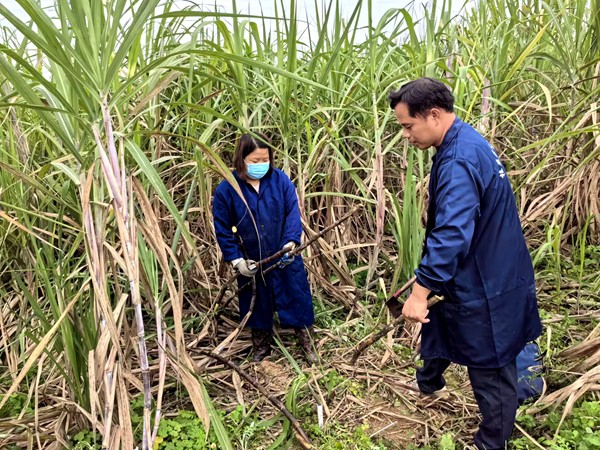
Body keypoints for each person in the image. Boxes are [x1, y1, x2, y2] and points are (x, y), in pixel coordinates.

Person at [388, 77, 542, 450]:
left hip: (487, 280)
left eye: (408, 126)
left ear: (435, 115)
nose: (406, 136)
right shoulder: (466, 140)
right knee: (441, 325)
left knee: (491, 368)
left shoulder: (458, 159)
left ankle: (491, 442)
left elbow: (453, 233)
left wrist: (420, 291)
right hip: (483, 268)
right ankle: (430, 384)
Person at [212, 132, 317, 364]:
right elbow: (222, 228)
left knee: (296, 297)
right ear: (241, 159)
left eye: (265, 160)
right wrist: (236, 260)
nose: (261, 165)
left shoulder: (280, 180)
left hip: (284, 255)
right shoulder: (227, 189)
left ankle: (307, 343)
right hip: (252, 259)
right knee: (256, 302)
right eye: (255, 161)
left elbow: (293, 213)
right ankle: (261, 347)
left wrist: (291, 242)